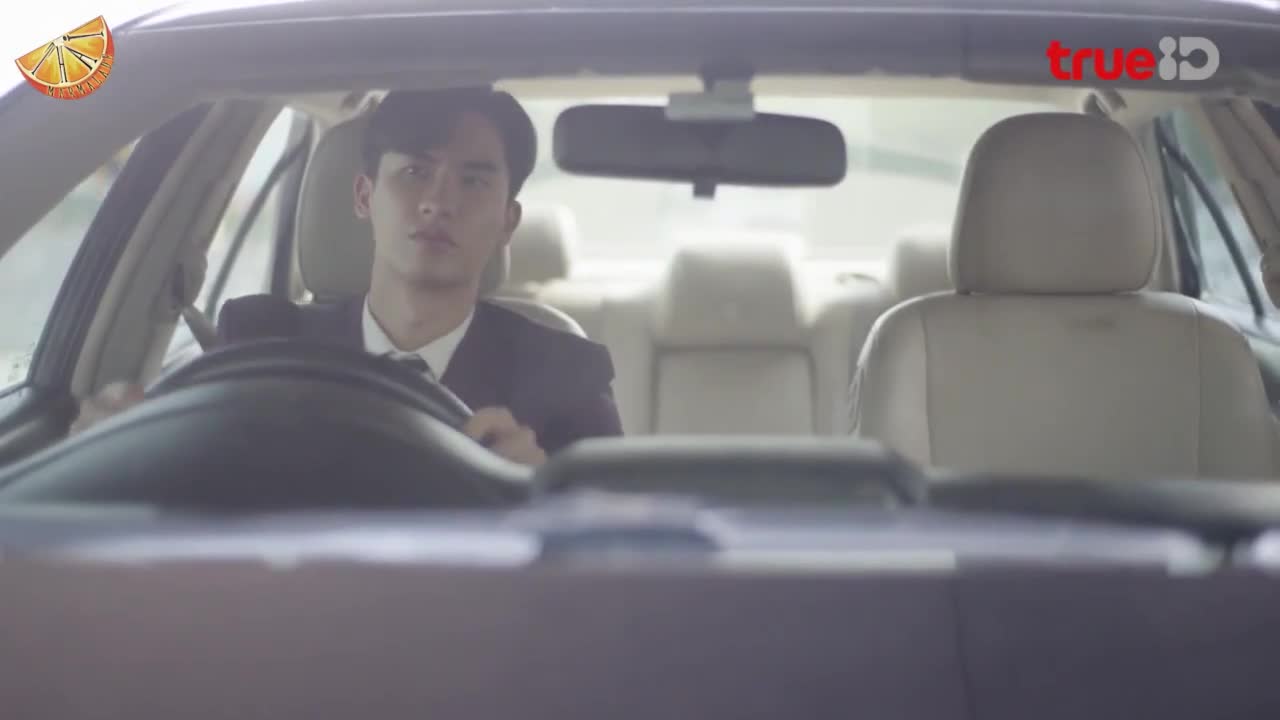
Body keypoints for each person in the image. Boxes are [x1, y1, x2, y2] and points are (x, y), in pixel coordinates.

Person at [73, 87, 624, 465]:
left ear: (508, 221)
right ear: (364, 196)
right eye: (415, 171)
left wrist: (543, 493)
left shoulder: (565, 379)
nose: (438, 202)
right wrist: (113, 444)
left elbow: (619, 554)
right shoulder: (258, 344)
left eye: (474, 181)